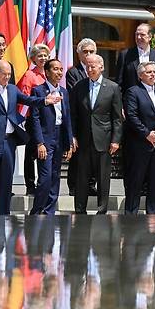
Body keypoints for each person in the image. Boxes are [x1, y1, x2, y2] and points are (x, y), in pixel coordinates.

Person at [0, 60, 61, 215]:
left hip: (9, 141)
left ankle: (3, 213)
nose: (7, 77)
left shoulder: (13, 89)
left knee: (6, 180)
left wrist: (44, 101)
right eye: (4, 74)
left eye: (9, 74)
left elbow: (28, 100)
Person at [70, 54, 123, 214]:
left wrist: (116, 140)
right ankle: (80, 209)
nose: (90, 69)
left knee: (103, 178)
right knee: (81, 178)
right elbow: (73, 114)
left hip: (104, 139)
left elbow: (117, 117)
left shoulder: (112, 87)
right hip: (83, 139)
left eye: (93, 66)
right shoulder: (79, 87)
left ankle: (102, 210)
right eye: (87, 66)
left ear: (102, 67)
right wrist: (72, 136)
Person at [122, 62, 155, 214]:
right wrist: (147, 134)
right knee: (135, 183)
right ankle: (130, 217)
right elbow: (132, 116)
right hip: (139, 146)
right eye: (149, 72)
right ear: (140, 75)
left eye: (154, 72)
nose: (153, 74)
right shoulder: (133, 92)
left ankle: (153, 215)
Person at [28, 59, 73, 215]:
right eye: (55, 69)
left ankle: (49, 211)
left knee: (55, 176)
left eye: (61, 69)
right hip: (46, 137)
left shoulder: (64, 92)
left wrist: (69, 142)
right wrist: (39, 143)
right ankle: (37, 210)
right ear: (47, 72)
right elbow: (34, 118)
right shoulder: (38, 91)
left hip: (60, 136)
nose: (59, 72)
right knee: (45, 177)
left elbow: (67, 118)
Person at [65, 38, 97, 196]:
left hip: (95, 120)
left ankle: (91, 184)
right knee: (78, 155)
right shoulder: (73, 72)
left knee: (92, 155)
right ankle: (73, 185)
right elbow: (75, 95)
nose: (89, 54)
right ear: (79, 55)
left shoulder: (98, 71)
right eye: (85, 52)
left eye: (91, 51)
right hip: (79, 118)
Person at [19, 43, 50, 195]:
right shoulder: (29, 75)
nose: (43, 58)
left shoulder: (50, 74)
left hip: (49, 120)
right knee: (32, 152)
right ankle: (30, 185)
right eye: (40, 56)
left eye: (45, 55)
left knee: (45, 152)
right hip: (34, 118)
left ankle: (43, 184)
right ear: (33, 59)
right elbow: (25, 97)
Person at [115, 23, 155, 93]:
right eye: (137, 34)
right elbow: (119, 82)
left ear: (150, 37)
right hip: (130, 100)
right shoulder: (125, 55)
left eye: (142, 35)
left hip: (152, 100)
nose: (138, 37)